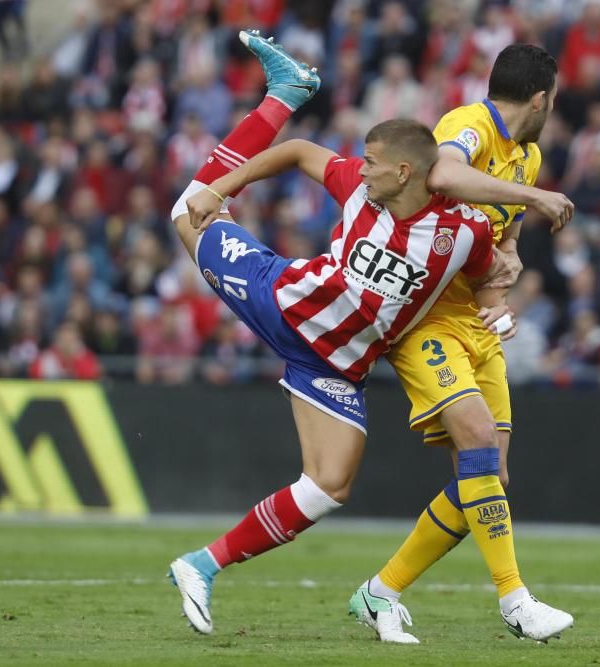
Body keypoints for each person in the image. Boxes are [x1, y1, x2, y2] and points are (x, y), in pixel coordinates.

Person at [167, 30, 574, 639]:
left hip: (336, 366)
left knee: (328, 487)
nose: (364, 168)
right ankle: (282, 94)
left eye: (374, 161)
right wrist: (226, 188)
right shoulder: (362, 188)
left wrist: (501, 301)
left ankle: (201, 565)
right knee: (186, 211)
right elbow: (302, 151)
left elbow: (494, 271)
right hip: (280, 302)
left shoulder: (463, 233)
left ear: (404, 170)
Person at [348, 43, 575, 644]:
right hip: (424, 318)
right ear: (541, 97)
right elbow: (443, 173)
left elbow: (505, 246)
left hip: (474, 322)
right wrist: (535, 196)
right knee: (476, 441)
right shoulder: (468, 126)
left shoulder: (528, 156)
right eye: (554, 98)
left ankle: (381, 591)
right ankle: (515, 600)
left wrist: (504, 285)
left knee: (489, 478)